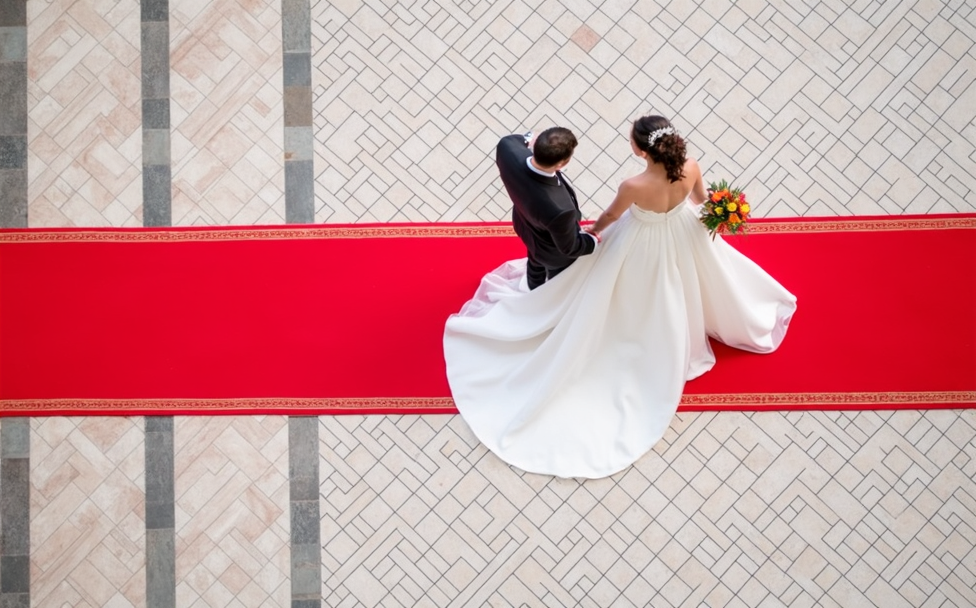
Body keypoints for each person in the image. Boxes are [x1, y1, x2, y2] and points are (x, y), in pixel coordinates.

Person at [442, 114, 797, 479]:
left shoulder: (634, 184)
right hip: (683, 232)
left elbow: (613, 213)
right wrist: (724, 210)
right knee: (686, 280)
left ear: (641, 150)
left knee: (631, 289)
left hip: (641, 241)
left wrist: (593, 235)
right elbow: (702, 200)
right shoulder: (691, 166)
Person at [496, 127, 598, 290]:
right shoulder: (560, 210)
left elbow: (518, 139)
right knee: (557, 280)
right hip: (552, 251)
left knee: (535, 258)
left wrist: (528, 138)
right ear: (562, 163)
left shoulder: (506, 148)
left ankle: (532, 286)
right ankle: (544, 294)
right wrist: (592, 241)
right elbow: (569, 247)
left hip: (525, 225)